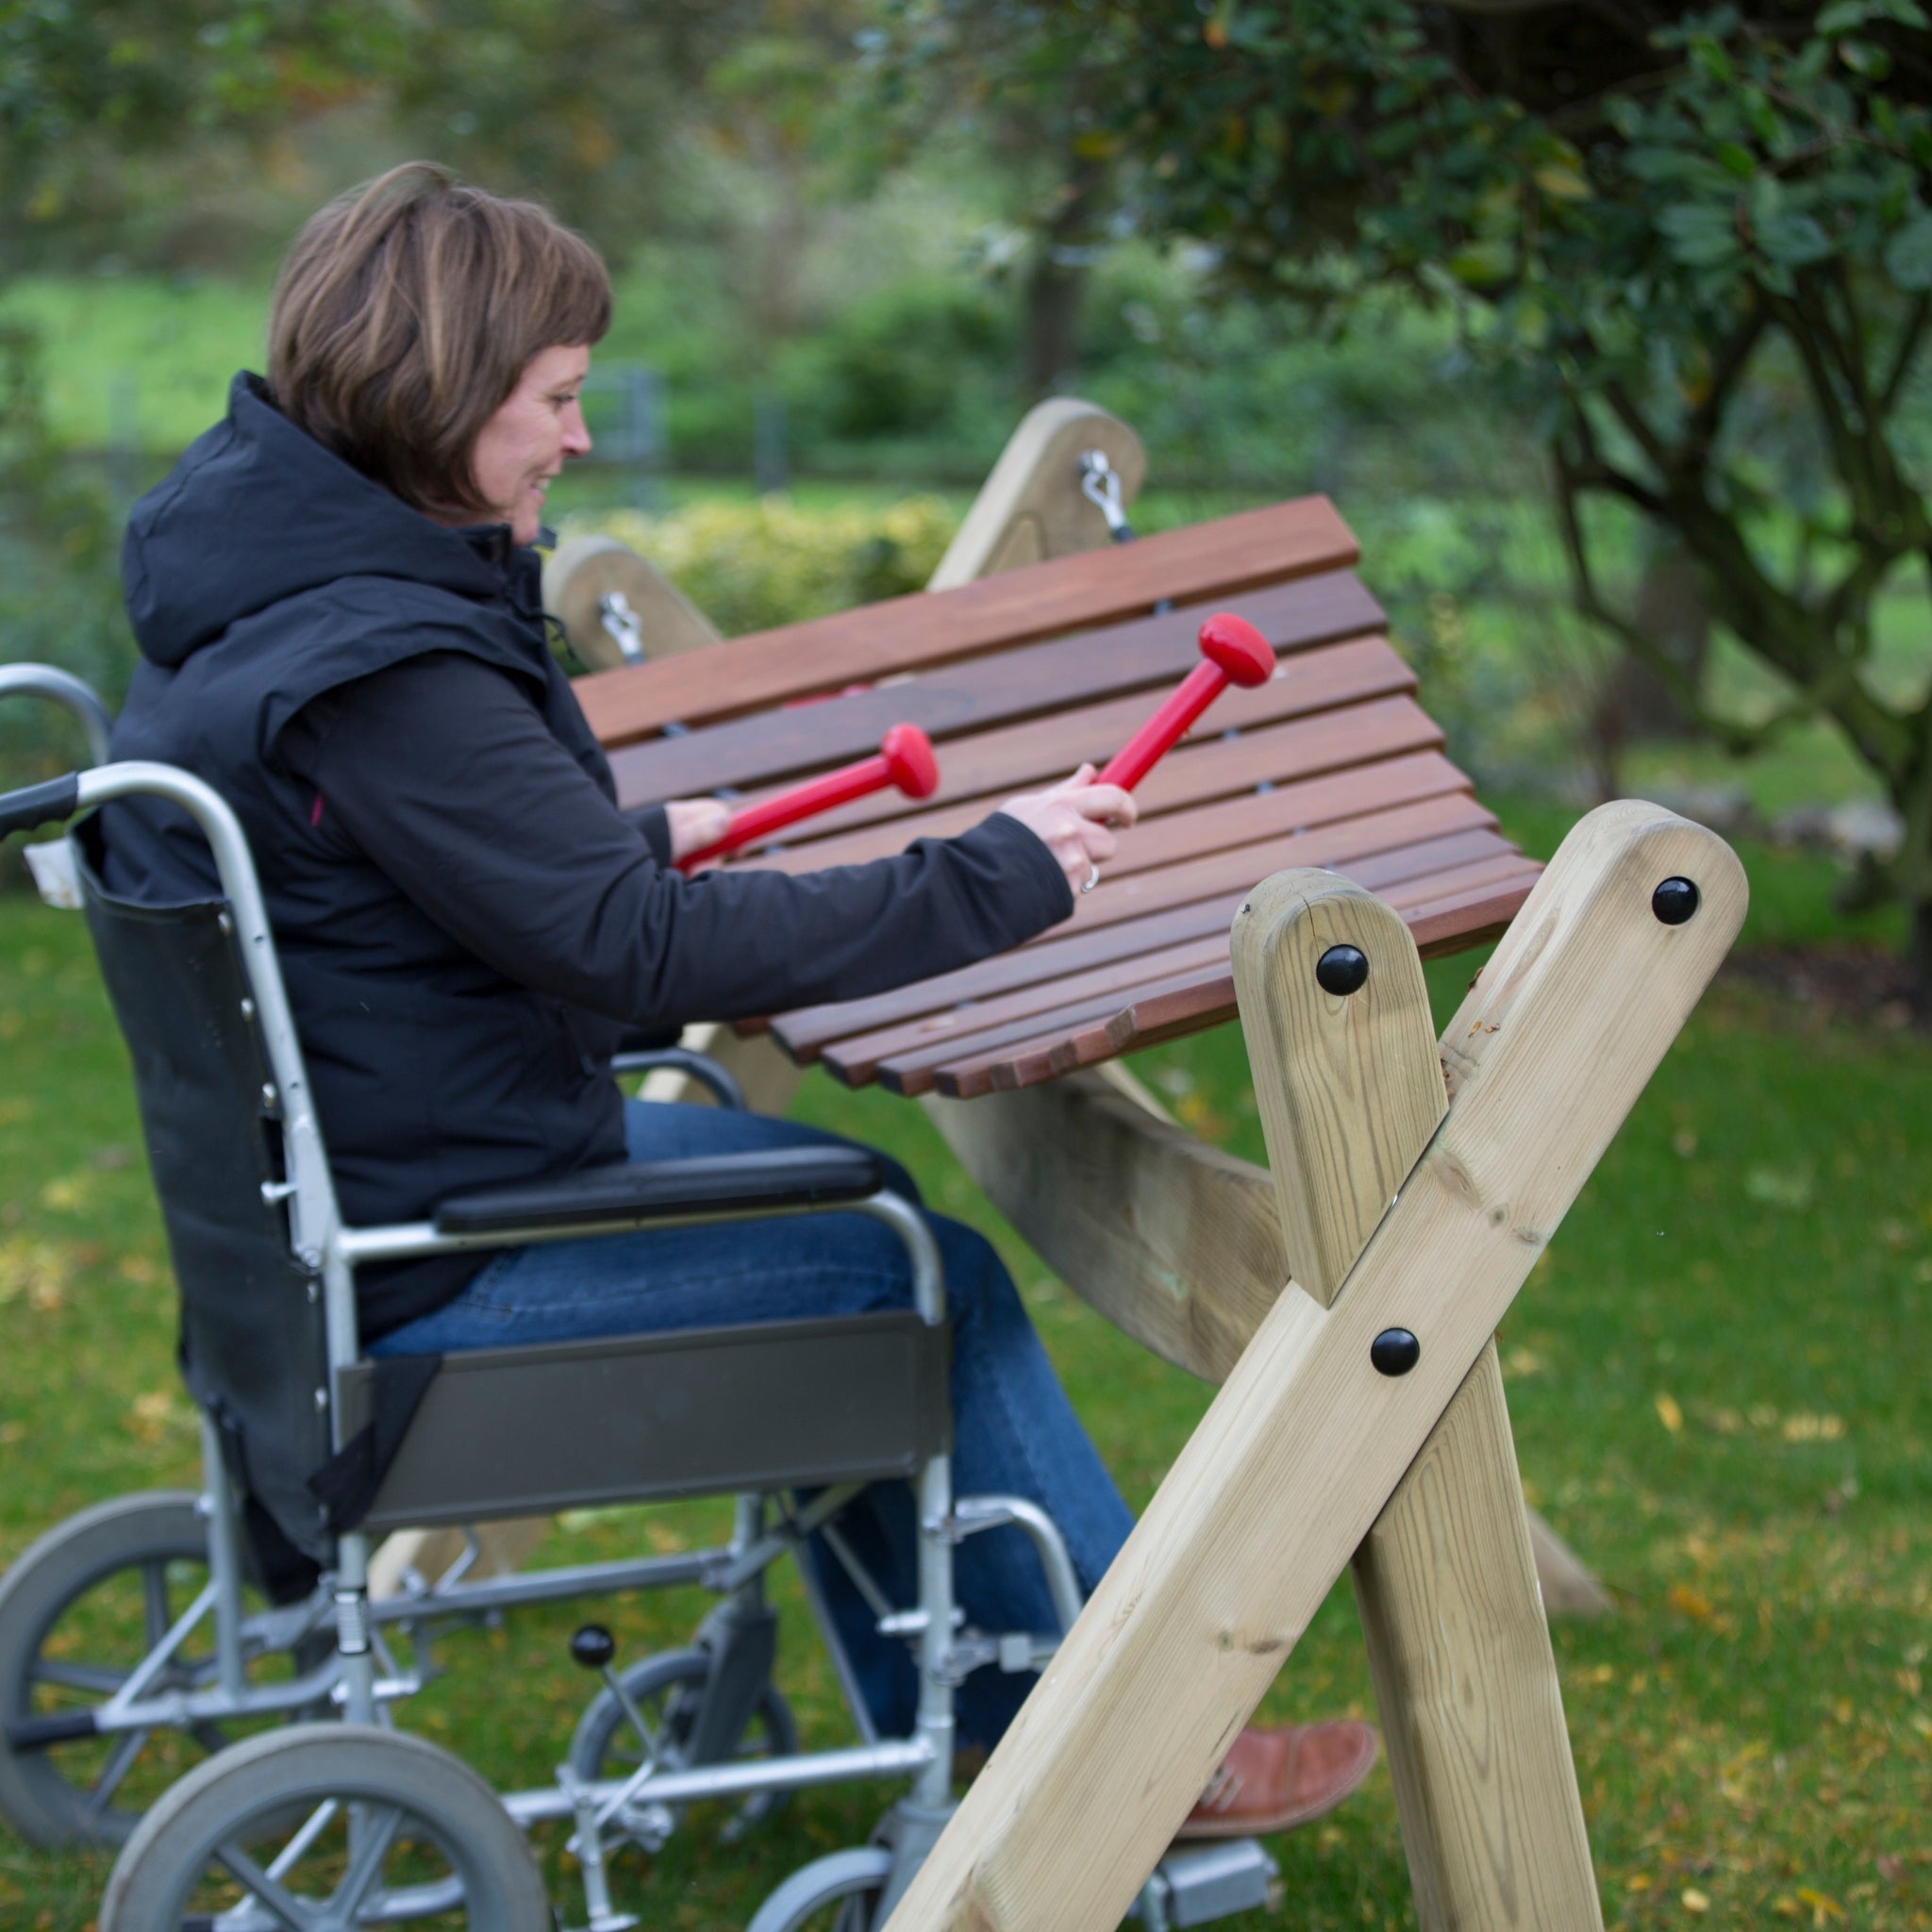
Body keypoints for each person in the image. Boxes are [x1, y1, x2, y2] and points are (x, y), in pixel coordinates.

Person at [100, 162, 1377, 1838]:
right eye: (553, 399)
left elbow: (393, 879)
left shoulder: (256, 603)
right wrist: (1001, 872)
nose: (576, 437)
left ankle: (993, 1714)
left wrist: (605, 836)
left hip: (366, 1206)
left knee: (862, 1225)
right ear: (439, 390)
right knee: (919, 1284)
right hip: (438, 1263)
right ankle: (1119, 1751)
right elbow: (641, 956)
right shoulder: (388, 666)